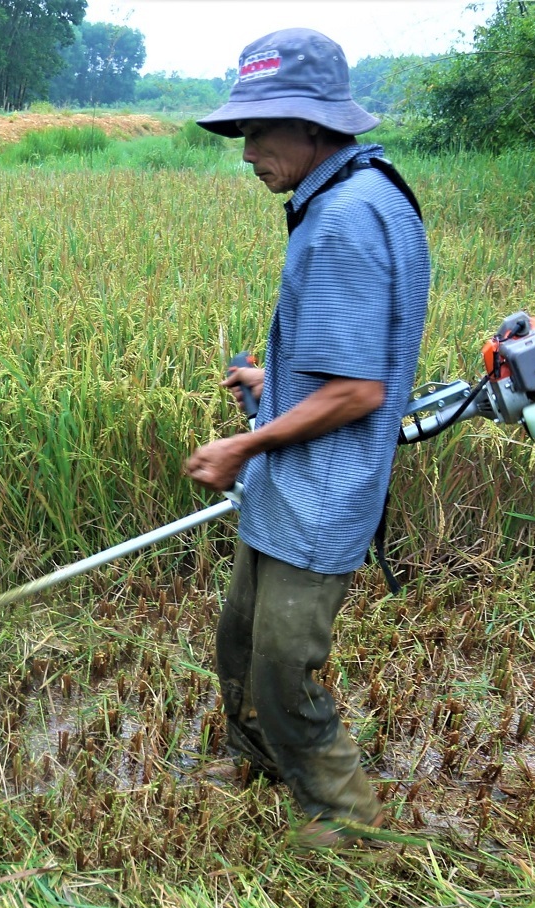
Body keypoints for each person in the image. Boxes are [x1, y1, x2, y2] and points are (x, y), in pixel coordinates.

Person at [183, 29, 431, 849]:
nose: (246, 150)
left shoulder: (342, 223)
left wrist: (241, 446)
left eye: (259, 131)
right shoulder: (361, 189)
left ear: (314, 127)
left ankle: (346, 821)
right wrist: (271, 385)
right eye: (243, 133)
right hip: (294, 481)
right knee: (240, 635)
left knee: (283, 663)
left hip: (322, 492)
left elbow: (360, 392)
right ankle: (251, 756)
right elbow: (348, 359)